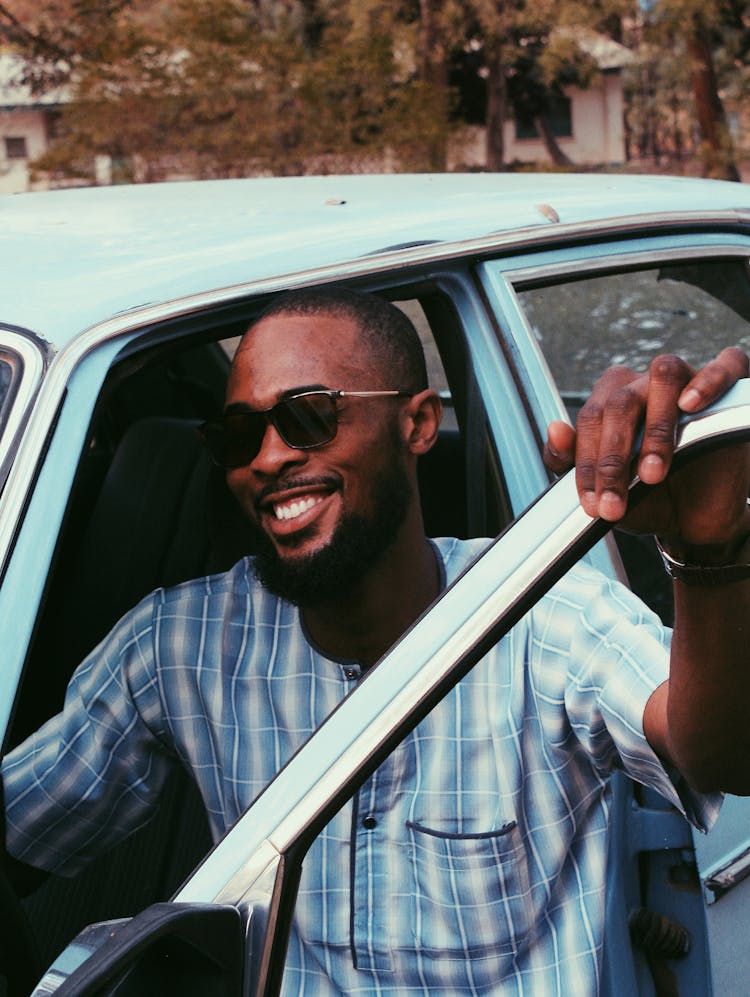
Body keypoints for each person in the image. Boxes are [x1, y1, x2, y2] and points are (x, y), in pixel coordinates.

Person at [2, 286, 750, 996]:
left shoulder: (546, 617)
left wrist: (709, 554)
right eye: (237, 434)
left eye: (307, 417)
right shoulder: (179, 645)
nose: (266, 458)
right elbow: (20, 828)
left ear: (419, 423)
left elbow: (720, 752)